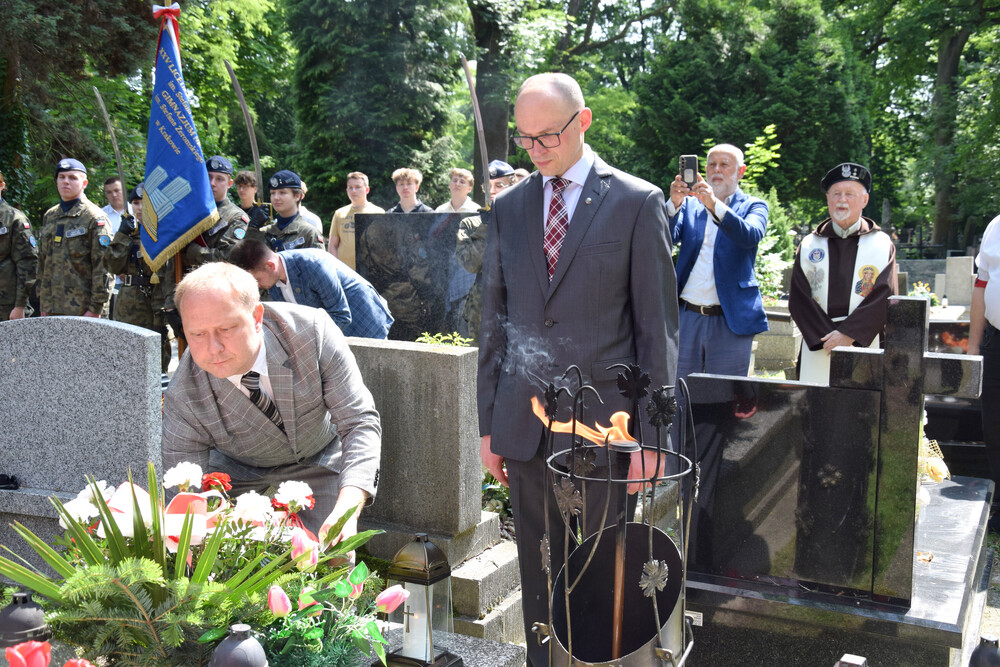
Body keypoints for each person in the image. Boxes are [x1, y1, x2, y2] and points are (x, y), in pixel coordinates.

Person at [477, 73, 678, 666]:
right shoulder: (510, 208)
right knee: (537, 571)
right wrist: (489, 424)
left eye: (549, 136)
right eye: (525, 140)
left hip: (605, 428)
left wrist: (654, 435)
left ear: (583, 121)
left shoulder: (636, 202)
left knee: (598, 571)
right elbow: (494, 321)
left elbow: (656, 330)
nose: (537, 151)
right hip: (525, 424)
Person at [162, 262, 382, 540]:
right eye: (198, 334)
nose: (213, 348)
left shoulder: (311, 333)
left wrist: (347, 509)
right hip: (236, 473)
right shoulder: (185, 391)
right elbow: (185, 488)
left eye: (226, 329)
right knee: (231, 565)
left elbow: (358, 422)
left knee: (328, 559)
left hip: (320, 458)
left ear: (256, 317)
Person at [789, 163, 897, 385]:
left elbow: (885, 293)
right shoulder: (810, 244)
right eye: (836, 193)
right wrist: (828, 338)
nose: (842, 200)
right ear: (828, 198)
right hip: (819, 341)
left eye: (850, 194)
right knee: (818, 410)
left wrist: (848, 334)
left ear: (864, 200)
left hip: (863, 341)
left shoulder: (881, 243)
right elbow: (799, 297)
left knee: (861, 410)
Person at [668, 144, 769, 382]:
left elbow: (750, 235)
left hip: (730, 320)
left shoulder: (754, 206)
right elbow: (665, 238)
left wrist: (714, 205)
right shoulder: (689, 205)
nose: (717, 170)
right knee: (679, 398)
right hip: (686, 317)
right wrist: (673, 204)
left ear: (740, 172)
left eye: (725, 165)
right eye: (712, 164)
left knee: (724, 401)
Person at [230, 239, 393, 339]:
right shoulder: (272, 279)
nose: (256, 286)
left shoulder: (313, 264)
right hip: (332, 335)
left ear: (270, 265)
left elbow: (341, 316)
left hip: (365, 324)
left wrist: (303, 340)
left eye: (257, 279)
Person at [163, 155, 250, 338]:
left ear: (230, 183)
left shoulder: (236, 218)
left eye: (219, 179)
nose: (212, 183)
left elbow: (228, 257)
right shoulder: (187, 215)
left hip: (219, 297)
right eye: (208, 177)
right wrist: (170, 303)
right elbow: (172, 260)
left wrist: (193, 251)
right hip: (187, 295)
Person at [106, 184, 174, 372]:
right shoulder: (128, 233)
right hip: (129, 304)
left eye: (144, 202)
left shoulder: (166, 234)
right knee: (127, 351)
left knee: (158, 354)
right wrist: (121, 235)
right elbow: (111, 266)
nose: (138, 207)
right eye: (135, 203)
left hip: (156, 302)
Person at [36, 159, 113, 317]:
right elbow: (43, 263)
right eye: (62, 177)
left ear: (84, 183)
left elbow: (104, 267)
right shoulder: (50, 216)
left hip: (84, 310)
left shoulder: (94, 218)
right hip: (52, 308)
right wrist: (43, 303)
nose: (66, 182)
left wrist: (95, 308)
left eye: (72, 178)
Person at [455, 159, 516, 341]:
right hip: (483, 307)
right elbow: (472, 264)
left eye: (499, 185)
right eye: (488, 186)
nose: (493, 191)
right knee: (481, 362)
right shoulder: (471, 224)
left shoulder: (526, 220)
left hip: (518, 302)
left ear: (514, 186)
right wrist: (487, 226)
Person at [968, 213, 1000, 529]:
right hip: (996, 341)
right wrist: (973, 349)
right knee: (995, 427)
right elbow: (981, 288)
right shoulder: (996, 226)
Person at [0, 170, 38, 321]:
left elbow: (28, 262)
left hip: (6, 306)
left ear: (2, 186)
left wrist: (20, 306)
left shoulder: (15, 219)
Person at [328, 171, 384, 270]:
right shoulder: (339, 213)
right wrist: (335, 268)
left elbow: (383, 246)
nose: (354, 191)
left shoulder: (378, 212)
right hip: (344, 271)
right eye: (350, 187)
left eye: (358, 187)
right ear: (347, 190)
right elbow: (332, 245)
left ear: (367, 189)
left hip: (370, 270)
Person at [260, 170, 324, 252]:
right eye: (272, 193)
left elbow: (317, 263)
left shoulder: (308, 233)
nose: (276, 197)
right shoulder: (265, 232)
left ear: (297, 196)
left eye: (282, 192)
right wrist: (252, 229)